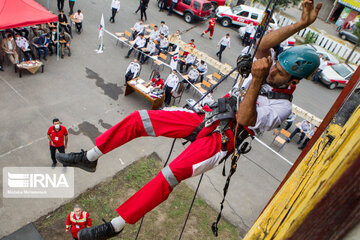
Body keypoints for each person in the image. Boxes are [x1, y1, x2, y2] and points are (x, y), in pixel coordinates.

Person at [56, 1, 322, 238]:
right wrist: (300, 24)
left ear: (294, 81)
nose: (273, 69)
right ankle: (89, 157)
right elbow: (264, 45)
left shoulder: (282, 107)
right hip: (207, 116)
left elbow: (244, 117)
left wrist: (258, 79)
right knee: (140, 119)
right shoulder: (268, 67)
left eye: (281, 72)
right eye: (276, 65)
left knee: (169, 175)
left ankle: (115, 225)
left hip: (221, 140)